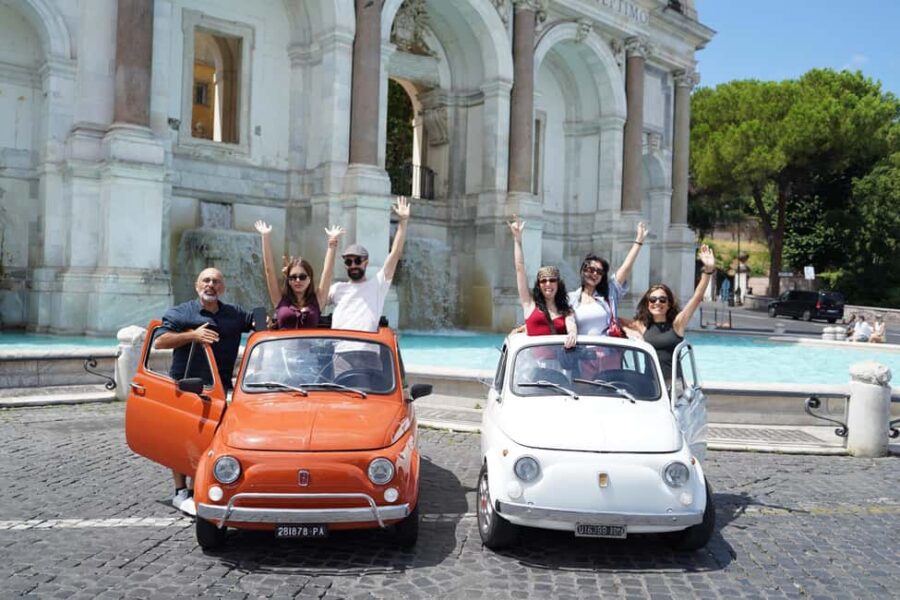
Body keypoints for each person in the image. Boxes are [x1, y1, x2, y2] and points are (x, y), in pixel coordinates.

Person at [154, 267, 255, 515]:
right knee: (182, 439)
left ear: (223, 287)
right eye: (206, 280)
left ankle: (209, 486)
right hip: (186, 386)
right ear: (197, 285)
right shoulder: (182, 312)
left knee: (212, 440)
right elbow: (159, 341)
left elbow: (259, 322)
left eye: (216, 281)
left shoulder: (233, 314)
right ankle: (180, 491)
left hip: (219, 389)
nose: (211, 285)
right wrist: (192, 335)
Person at [628, 245, 716, 383]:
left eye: (662, 299)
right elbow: (610, 319)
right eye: (653, 299)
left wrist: (708, 270)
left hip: (674, 386)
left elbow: (697, 298)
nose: (657, 302)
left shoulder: (677, 325)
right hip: (650, 386)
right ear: (647, 303)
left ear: (669, 304)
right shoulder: (641, 326)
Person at [325, 196, 411, 333]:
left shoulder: (378, 285)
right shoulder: (336, 289)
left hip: (368, 351)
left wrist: (403, 221)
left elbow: (395, 254)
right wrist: (331, 244)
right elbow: (315, 299)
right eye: (348, 261)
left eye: (357, 261)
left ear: (366, 263)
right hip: (340, 351)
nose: (353, 265)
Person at [254, 220, 345, 329]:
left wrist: (332, 242)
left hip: (310, 346)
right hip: (283, 346)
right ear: (288, 280)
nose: (298, 280)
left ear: (309, 279)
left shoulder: (317, 300)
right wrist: (265, 236)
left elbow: (327, 272)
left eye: (302, 277)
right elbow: (269, 271)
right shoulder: (280, 299)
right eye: (293, 277)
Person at [508, 216, 576, 349]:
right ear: (539, 285)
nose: (548, 284)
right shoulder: (529, 304)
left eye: (552, 280)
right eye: (543, 281)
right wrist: (517, 240)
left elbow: (571, 326)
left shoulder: (566, 311)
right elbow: (520, 269)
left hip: (558, 367)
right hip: (534, 366)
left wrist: (572, 334)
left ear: (558, 284)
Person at [569, 222, 648, 335]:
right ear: (583, 270)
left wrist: (638, 242)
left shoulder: (610, 292)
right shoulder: (571, 299)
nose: (595, 274)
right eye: (591, 269)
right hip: (580, 352)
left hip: (607, 351)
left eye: (599, 272)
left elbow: (626, 268)